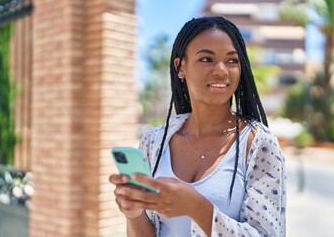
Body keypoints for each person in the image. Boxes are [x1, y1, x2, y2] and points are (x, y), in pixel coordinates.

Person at [109, 16, 286, 237]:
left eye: (232, 61)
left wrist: (197, 208)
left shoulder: (259, 143)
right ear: (180, 67)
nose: (221, 70)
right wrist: (134, 214)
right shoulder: (155, 143)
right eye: (206, 59)